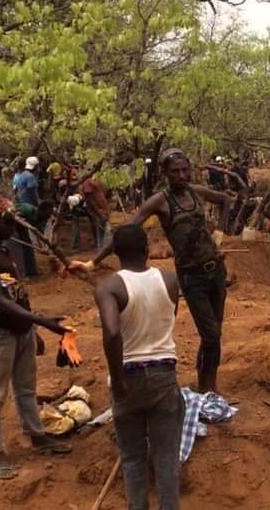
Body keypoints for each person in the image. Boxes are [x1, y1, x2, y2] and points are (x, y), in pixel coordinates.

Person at [71, 148, 232, 393]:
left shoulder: (196, 193)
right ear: (165, 173)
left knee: (215, 334)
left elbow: (225, 200)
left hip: (216, 271)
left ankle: (210, 385)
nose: (181, 175)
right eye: (175, 171)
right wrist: (94, 262)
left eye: (184, 170)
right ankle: (207, 388)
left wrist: (221, 232)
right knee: (210, 334)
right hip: (191, 276)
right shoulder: (161, 201)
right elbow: (125, 232)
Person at [0, 196, 73, 480]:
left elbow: (17, 296)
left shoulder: (5, 251)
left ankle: (37, 436)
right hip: (1, 333)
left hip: (21, 331)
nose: (14, 225)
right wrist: (40, 322)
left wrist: (33, 330)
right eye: (9, 220)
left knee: (26, 389)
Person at [94, 224, 183, 510]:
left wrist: (118, 379)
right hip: (164, 374)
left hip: (128, 377)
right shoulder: (169, 281)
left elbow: (111, 332)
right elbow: (169, 317)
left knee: (133, 457)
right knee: (166, 456)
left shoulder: (109, 286)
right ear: (147, 250)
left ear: (116, 253)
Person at [81, 175, 110, 248]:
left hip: (103, 210)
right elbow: (90, 200)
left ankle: (103, 249)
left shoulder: (96, 179)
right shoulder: (87, 182)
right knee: (101, 232)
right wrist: (98, 213)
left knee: (103, 232)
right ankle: (101, 250)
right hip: (98, 211)